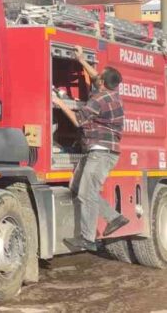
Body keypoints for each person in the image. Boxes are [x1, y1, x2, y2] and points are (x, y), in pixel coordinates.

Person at [51, 47, 128, 252]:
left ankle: (88, 238)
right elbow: (97, 77)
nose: (96, 76)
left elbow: (78, 121)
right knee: (77, 187)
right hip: (99, 151)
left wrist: (59, 102)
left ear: (102, 82)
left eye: (99, 76)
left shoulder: (98, 100)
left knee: (86, 194)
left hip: (100, 152)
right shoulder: (113, 94)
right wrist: (81, 60)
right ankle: (114, 217)